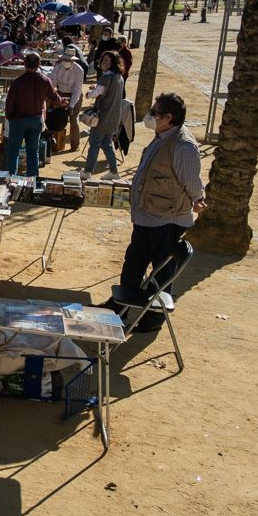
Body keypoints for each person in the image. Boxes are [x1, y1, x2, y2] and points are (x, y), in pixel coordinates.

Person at [114, 92, 207, 332]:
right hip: (147, 216)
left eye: (155, 113)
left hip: (166, 219)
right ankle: (120, 306)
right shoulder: (162, 136)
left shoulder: (184, 146)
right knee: (133, 263)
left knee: (161, 271)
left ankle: (154, 317)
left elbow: (191, 181)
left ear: (168, 117)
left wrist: (198, 199)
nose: (150, 116)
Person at [3, 51, 65, 177]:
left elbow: (9, 104)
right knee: (33, 152)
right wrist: (62, 101)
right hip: (35, 120)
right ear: (39, 64)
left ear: (24, 64)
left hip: (18, 120)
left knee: (13, 152)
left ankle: (10, 179)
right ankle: (33, 181)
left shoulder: (17, 82)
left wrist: (10, 118)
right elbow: (55, 98)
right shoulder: (44, 80)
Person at [83, 51, 127, 180]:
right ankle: (114, 171)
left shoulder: (106, 77)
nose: (103, 63)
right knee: (107, 143)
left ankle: (87, 171)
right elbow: (104, 90)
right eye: (103, 60)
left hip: (102, 116)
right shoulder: (119, 77)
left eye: (107, 60)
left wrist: (89, 93)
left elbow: (96, 93)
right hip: (114, 116)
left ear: (113, 62)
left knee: (95, 143)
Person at [50, 49, 85, 151]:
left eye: (69, 60)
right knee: (55, 117)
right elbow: (52, 84)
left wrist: (71, 105)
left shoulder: (79, 70)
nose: (66, 61)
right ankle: (53, 142)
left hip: (74, 95)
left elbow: (77, 90)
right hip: (60, 93)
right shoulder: (57, 68)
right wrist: (57, 98)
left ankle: (75, 145)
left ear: (73, 61)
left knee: (73, 119)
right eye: (65, 59)